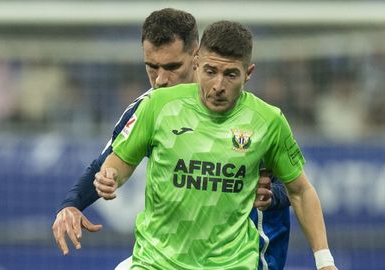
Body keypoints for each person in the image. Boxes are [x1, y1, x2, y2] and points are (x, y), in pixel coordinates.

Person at [53, 8, 290, 270]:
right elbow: (108, 163)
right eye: (151, 67)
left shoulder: (249, 113)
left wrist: (270, 196)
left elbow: (295, 188)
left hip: (255, 247)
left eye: (172, 67)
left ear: (197, 56)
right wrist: (72, 205)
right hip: (180, 256)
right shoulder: (151, 107)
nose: (160, 80)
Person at [94, 20, 337, 269]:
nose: (218, 86)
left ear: (249, 73)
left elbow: (301, 191)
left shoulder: (268, 121)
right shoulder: (158, 105)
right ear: (197, 64)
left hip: (232, 264)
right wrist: (110, 176)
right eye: (210, 72)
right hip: (156, 262)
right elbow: (120, 161)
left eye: (230, 75)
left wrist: (324, 261)